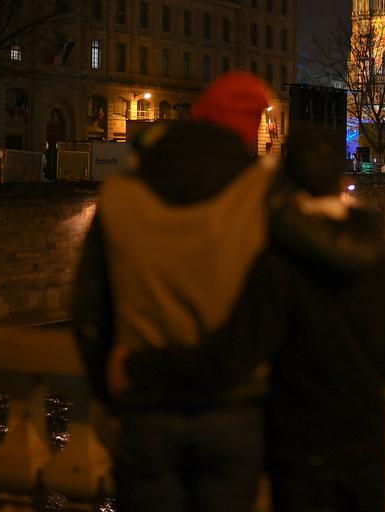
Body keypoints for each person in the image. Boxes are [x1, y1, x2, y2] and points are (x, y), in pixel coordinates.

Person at [115, 124, 385, 512]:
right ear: (342, 178)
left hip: (301, 446)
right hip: (368, 444)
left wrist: (141, 366)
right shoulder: (378, 261)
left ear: (286, 181)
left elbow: (231, 356)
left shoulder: (278, 262)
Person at [71, 71, 280, 511]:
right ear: (250, 126)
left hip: (145, 403)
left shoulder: (121, 191)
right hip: (232, 404)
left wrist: (113, 388)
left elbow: (90, 310)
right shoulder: (264, 194)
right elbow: (278, 309)